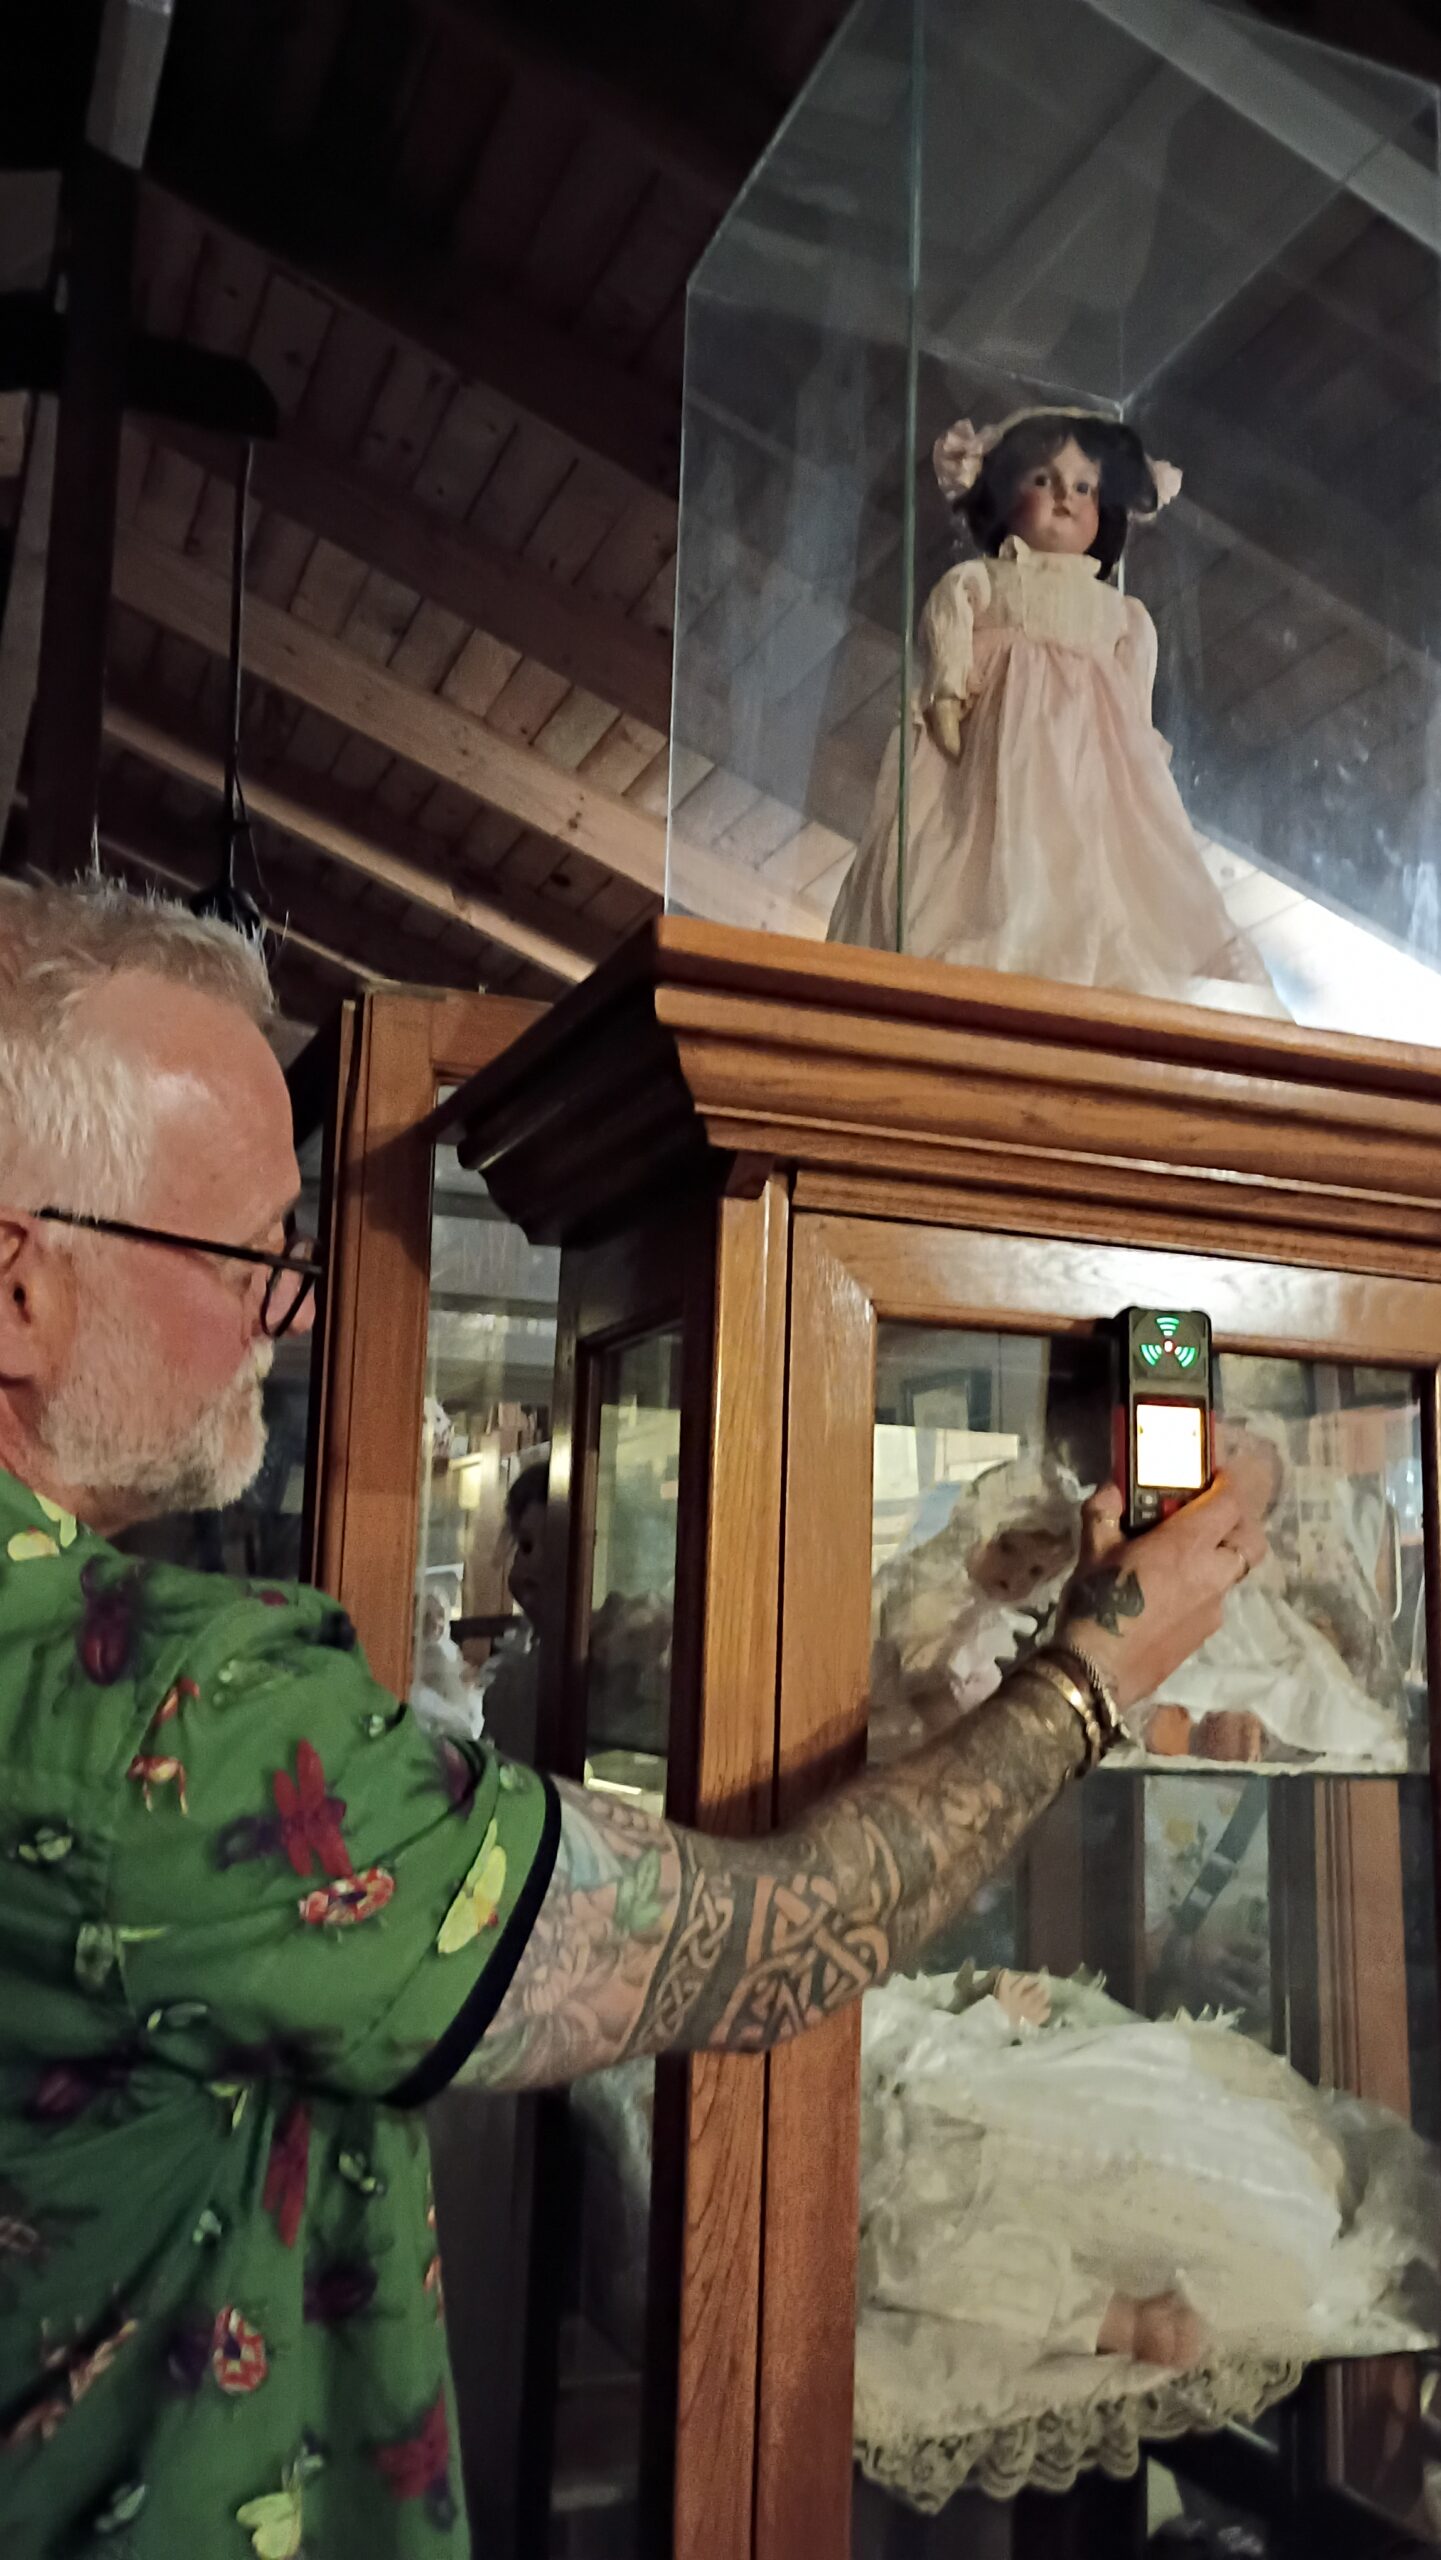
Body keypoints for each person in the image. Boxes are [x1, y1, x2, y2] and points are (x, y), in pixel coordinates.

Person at [0, 880, 1264, 2556]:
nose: (287, 1310)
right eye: (250, 1256)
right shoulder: (173, 1713)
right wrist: (1097, 1668)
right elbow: (769, 1942)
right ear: (20, 1287)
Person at [827, 407, 1286, 1016]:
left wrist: (1140, 760)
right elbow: (949, 621)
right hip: (998, 749)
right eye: (1043, 480)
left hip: (1091, 763)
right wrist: (947, 694)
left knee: (1103, 863)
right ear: (1003, 494)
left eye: (1084, 486)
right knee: (975, 848)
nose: (1066, 497)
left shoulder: (1120, 613)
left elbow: (1134, 698)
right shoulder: (985, 581)